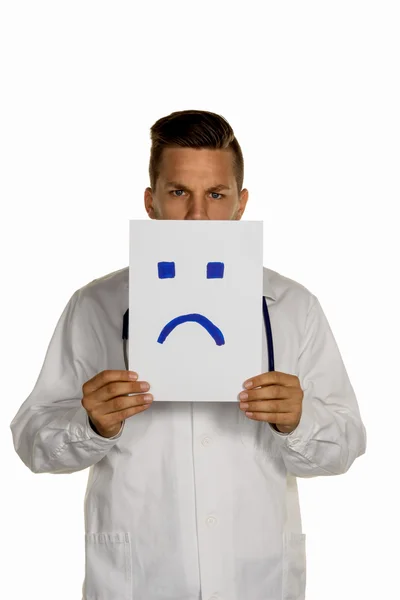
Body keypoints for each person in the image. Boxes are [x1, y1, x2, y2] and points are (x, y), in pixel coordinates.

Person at [10, 109, 367, 600]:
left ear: (240, 204)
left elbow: (347, 442)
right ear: (150, 202)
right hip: (140, 579)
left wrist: (299, 420)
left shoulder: (293, 307)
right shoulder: (96, 306)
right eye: (178, 192)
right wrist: (91, 425)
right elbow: (33, 442)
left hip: (255, 578)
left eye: (216, 195)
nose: (198, 215)